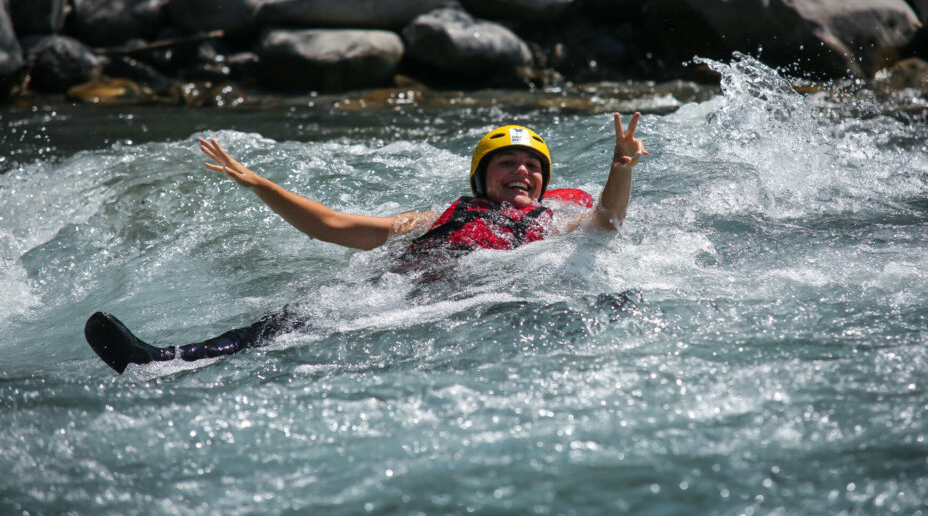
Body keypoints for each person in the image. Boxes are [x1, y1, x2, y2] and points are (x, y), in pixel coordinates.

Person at [85, 113, 648, 374]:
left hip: (462, 312)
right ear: (483, 178)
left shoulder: (556, 223)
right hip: (387, 301)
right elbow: (331, 226)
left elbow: (607, 224)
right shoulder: (431, 219)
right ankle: (162, 360)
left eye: (532, 166)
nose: (522, 172)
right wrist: (258, 183)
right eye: (507, 163)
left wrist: (620, 166)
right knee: (282, 323)